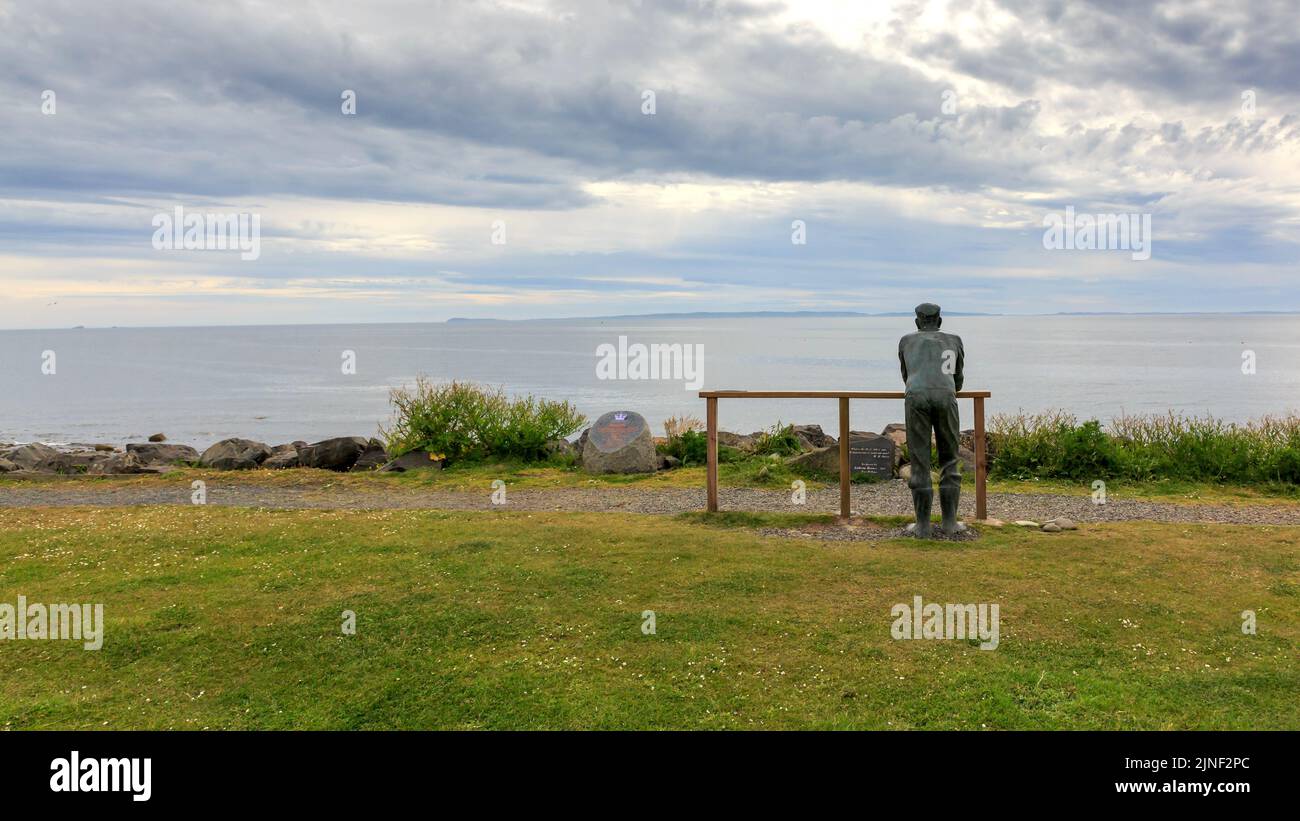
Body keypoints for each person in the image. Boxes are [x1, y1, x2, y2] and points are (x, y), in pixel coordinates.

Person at [898, 303, 965, 537]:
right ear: (940, 321)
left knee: (920, 460)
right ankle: (949, 523)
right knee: (949, 458)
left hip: (916, 397)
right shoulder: (954, 340)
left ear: (917, 322)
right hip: (946, 396)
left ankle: (923, 526)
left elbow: (905, 375)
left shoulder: (906, 341)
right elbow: (958, 378)